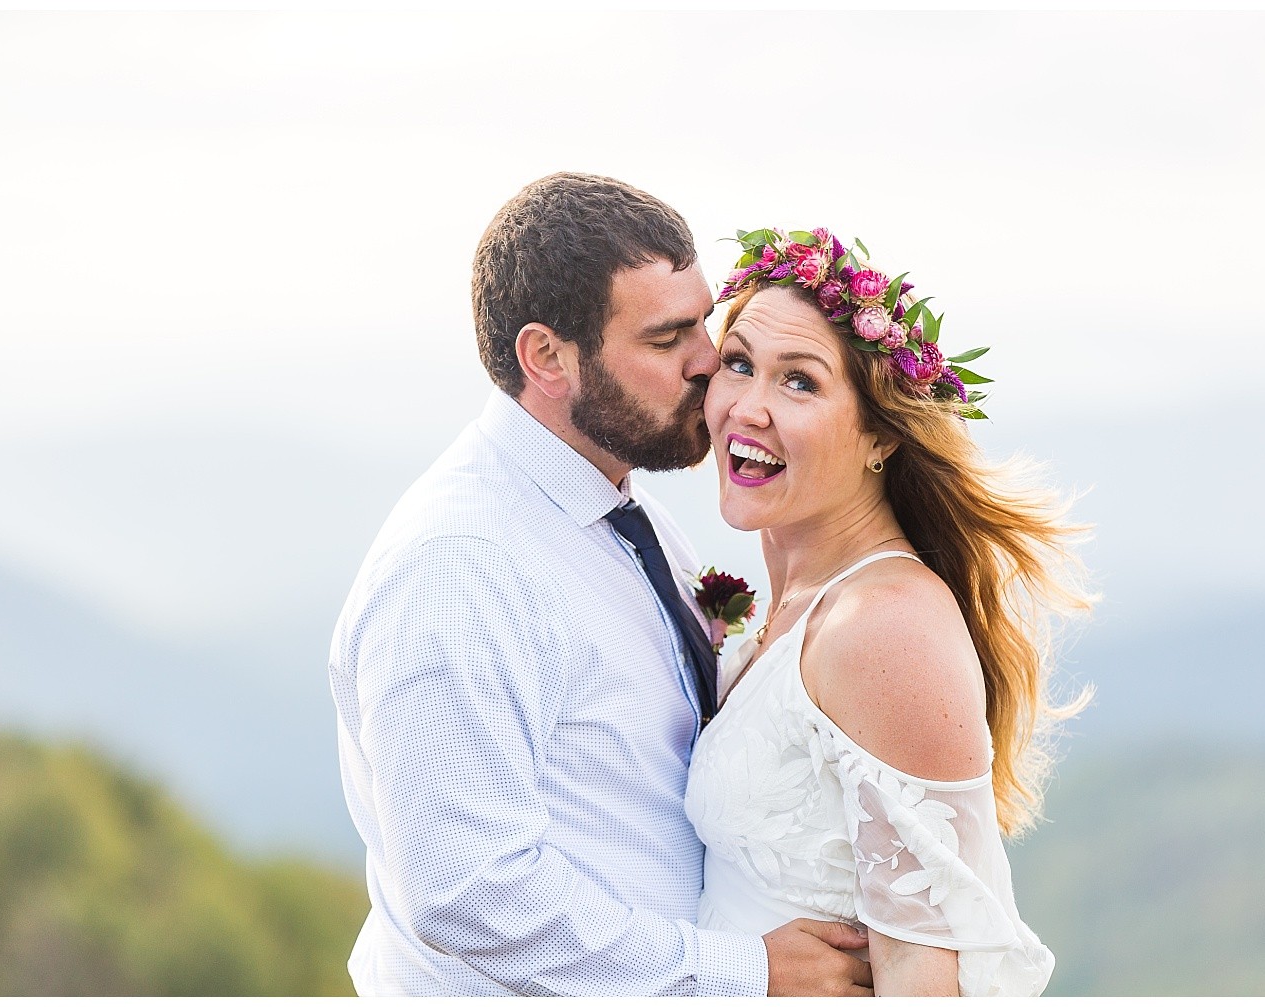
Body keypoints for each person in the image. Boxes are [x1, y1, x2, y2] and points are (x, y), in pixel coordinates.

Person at [328, 178, 873, 996]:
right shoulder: (456, 568)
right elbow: (469, 890)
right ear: (548, 358)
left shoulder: (624, 509)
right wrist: (745, 970)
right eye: (666, 339)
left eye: (703, 323)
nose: (706, 361)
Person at [683, 227, 1093, 996]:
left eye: (798, 382)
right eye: (737, 363)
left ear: (878, 435)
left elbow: (921, 969)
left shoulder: (884, 626)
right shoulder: (797, 606)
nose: (749, 406)